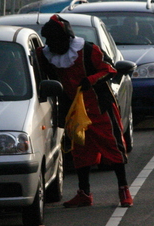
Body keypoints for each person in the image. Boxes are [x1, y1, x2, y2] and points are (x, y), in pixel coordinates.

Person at [37, 14, 133, 208]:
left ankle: (124, 190)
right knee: (80, 150)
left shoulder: (88, 50)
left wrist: (90, 80)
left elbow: (109, 70)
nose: (50, 44)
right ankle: (84, 193)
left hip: (100, 107)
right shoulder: (45, 55)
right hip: (74, 110)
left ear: (65, 39)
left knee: (113, 147)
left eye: (53, 40)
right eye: (48, 40)